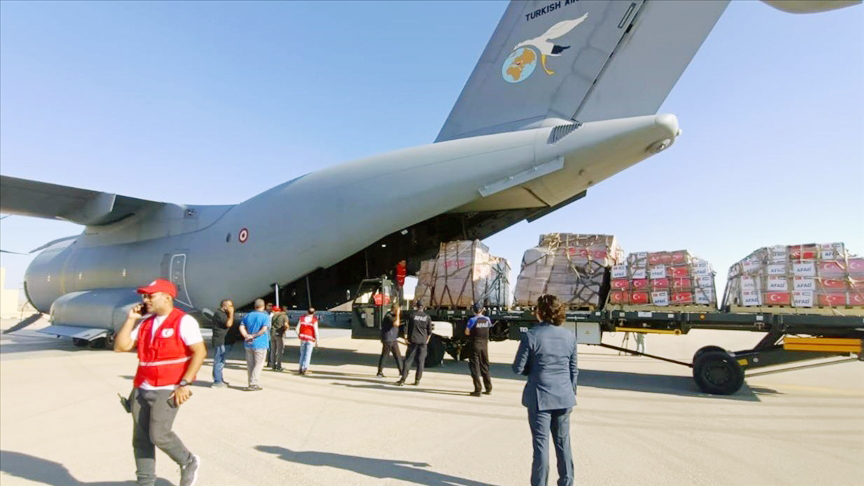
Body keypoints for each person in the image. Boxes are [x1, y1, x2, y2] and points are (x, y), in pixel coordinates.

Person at [114, 278, 205, 486]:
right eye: (144, 296)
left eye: (150, 296)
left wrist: (185, 383)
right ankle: (145, 482)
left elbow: (199, 352)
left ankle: (188, 461)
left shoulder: (183, 321)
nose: (145, 300)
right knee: (140, 439)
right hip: (142, 387)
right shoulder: (145, 323)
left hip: (169, 387)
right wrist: (131, 319)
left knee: (159, 434)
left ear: (166, 297)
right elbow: (121, 346)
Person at [512, 294, 578, 486]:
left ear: (539, 312)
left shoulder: (531, 335)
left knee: (541, 446)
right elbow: (573, 369)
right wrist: (571, 391)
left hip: (540, 397)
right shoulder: (569, 336)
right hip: (564, 396)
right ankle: (567, 482)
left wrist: (532, 370)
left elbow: (517, 368)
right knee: (563, 443)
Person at [396, 301, 432, 386]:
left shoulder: (412, 315)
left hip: (413, 340)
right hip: (422, 341)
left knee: (408, 360)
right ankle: (417, 380)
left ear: (416, 306)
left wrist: (405, 338)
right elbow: (429, 332)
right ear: (423, 307)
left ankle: (403, 380)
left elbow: (406, 328)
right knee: (421, 361)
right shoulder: (427, 317)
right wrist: (426, 341)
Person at [239, 299, 270, 391]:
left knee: (250, 364)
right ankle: (253, 383)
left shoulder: (248, 315)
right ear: (263, 306)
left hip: (248, 343)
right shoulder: (265, 316)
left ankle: (250, 382)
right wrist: (254, 335)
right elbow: (264, 329)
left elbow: (241, 326)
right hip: (260, 343)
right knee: (258, 364)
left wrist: (246, 335)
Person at [465, 303, 492, 397]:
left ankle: (478, 390)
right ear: (482, 310)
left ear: (473, 310)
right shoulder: (487, 319)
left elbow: (467, 332)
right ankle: (488, 388)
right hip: (484, 346)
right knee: (485, 366)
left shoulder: (472, 320)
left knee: (475, 367)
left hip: (475, 345)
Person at [211, 299, 234, 388]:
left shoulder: (224, 314)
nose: (232, 308)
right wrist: (231, 313)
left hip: (225, 340)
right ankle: (217, 381)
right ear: (224, 306)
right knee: (219, 361)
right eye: (230, 306)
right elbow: (228, 324)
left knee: (222, 361)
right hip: (220, 341)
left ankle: (220, 379)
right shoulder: (219, 314)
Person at [377, 303, 403, 378]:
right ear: (395, 310)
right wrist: (398, 314)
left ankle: (401, 371)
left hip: (392, 339)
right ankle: (380, 372)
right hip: (388, 339)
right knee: (385, 355)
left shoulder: (392, 315)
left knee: (397, 355)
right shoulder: (388, 316)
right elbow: (396, 324)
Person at [296, 307, 319, 375]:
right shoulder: (314, 320)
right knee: (307, 354)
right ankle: (305, 369)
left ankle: (300, 368)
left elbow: (296, 329)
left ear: (307, 312)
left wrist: (299, 335)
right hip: (310, 339)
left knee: (302, 354)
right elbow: (316, 331)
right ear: (314, 313)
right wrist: (317, 341)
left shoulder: (302, 319)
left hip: (303, 339)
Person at [268, 306, 288, 371]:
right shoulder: (284, 316)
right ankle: (279, 366)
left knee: (273, 350)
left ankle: (273, 365)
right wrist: (286, 329)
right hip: (279, 334)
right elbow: (285, 324)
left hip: (272, 333)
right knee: (279, 351)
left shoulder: (274, 316)